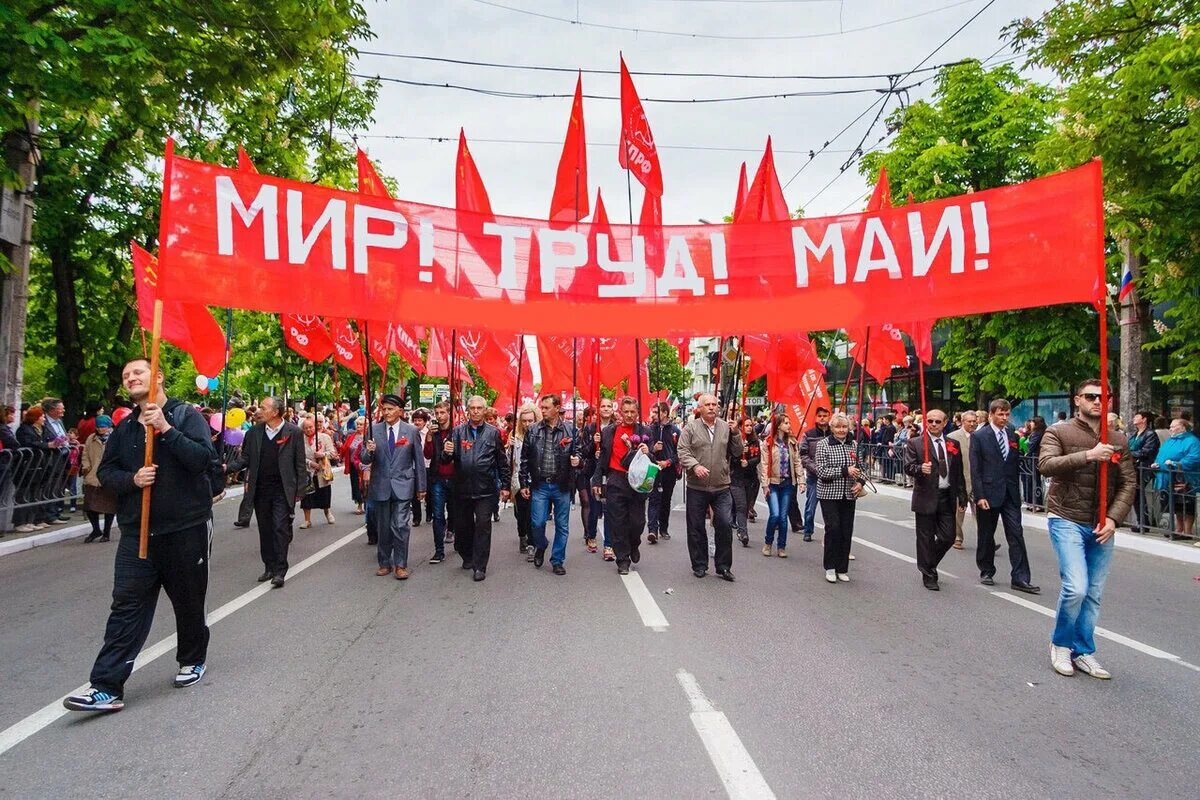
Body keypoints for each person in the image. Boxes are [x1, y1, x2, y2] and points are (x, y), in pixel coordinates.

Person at [63, 357, 217, 713]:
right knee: (126, 607)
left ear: (158, 377)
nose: (131, 378)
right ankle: (106, 686)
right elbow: (108, 473)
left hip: (184, 530)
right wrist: (133, 480)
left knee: (189, 602)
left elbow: (202, 460)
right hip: (138, 533)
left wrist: (165, 429)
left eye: (138, 372)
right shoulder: (126, 428)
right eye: (126, 375)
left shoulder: (185, 416)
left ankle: (192, 658)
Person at [1038, 379, 1136, 679]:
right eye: (1091, 396)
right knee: (1076, 587)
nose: (1098, 401)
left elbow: (1128, 482)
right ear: (1077, 400)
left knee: (1093, 593)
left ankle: (1083, 651)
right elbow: (1046, 464)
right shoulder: (1059, 431)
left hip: (1101, 524)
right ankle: (1061, 645)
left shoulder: (1118, 438)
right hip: (1066, 517)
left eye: (1104, 396)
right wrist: (1089, 455)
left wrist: (1113, 519)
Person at [224, 397, 307, 587]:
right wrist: (226, 467)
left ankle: (280, 570)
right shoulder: (254, 432)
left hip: (283, 489)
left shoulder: (293, 432)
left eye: (263, 407)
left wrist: (300, 490)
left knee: (280, 528)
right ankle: (268, 566)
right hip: (260, 489)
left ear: (275, 412)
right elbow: (245, 458)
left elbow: (300, 463)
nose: (258, 411)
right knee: (265, 529)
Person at [970, 399, 1040, 594]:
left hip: (1010, 493)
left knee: (1016, 534)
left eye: (1007, 414)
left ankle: (1020, 577)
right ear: (991, 414)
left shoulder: (1012, 435)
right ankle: (986, 569)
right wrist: (979, 495)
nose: (1004, 418)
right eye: (1000, 414)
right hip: (989, 493)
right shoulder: (979, 436)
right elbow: (976, 469)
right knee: (986, 533)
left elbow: (1014, 463)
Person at [440, 395, 509, 581]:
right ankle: (467, 555)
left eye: (479, 408)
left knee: (483, 526)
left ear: (484, 410)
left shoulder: (493, 433)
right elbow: (445, 460)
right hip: (461, 489)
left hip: (485, 490)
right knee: (463, 527)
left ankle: (480, 565)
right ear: (468, 410)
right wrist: (446, 452)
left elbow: (502, 461)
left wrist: (505, 485)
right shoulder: (457, 432)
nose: (476, 411)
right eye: (473, 408)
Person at [362, 394, 427, 580]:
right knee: (383, 527)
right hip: (381, 485)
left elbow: (419, 460)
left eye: (390, 409)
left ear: (400, 411)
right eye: (384, 409)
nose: (387, 413)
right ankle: (384, 563)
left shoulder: (411, 431)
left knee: (400, 525)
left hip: (403, 485)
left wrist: (421, 486)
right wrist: (369, 450)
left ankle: (400, 564)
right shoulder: (374, 430)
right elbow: (365, 458)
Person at [678, 393, 742, 581]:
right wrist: (695, 465)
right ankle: (699, 564)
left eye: (715, 404)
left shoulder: (726, 427)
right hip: (697, 487)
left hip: (721, 485)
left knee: (724, 523)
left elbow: (737, 452)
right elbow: (682, 451)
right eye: (708, 404)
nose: (712, 407)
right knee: (696, 526)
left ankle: (723, 566)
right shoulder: (691, 428)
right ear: (700, 408)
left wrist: (737, 434)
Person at [903, 409, 967, 590]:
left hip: (947, 496)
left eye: (937, 421)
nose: (933, 424)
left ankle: (928, 562)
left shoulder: (952, 443)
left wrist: (962, 496)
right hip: (925, 496)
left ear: (945, 423)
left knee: (948, 537)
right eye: (930, 421)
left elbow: (958, 472)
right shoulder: (915, 443)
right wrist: (919, 469)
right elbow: (908, 466)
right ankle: (929, 574)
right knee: (925, 537)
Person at [520, 394, 581, 575]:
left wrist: (578, 460)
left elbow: (578, 453)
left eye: (546, 407)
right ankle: (541, 545)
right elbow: (524, 458)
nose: (543, 411)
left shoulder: (571, 430)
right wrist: (524, 482)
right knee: (537, 523)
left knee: (562, 525)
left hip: (561, 485)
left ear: (557, 408)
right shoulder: (533, 430)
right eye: (542, 407)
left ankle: (557, 560)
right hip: (540, 485)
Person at [592, 396, 652, 576]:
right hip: (616, 480)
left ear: (637, 412)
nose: (629, 415)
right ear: (620, 413)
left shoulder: (645, 431)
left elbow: (653, 461)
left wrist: (648, 452)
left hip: (637, 481)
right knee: (618, 522)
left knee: (638, 522)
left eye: (632, 412)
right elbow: (603, 457)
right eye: (626, 412)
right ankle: (623, 559)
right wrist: (597, 480)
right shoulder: (610, 431)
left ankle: (634, 543)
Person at [815, 413, 864, 583]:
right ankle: (830, 567)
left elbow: (862, 467)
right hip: (829, 493)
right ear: (832, 428)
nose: (841, 430)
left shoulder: (854, 444)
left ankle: (842, 568)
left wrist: (860, 482)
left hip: (849, 494)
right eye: (838, 427)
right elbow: (821, 472)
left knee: (846, 530)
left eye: (844, 427)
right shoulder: (823, 445)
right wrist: (845, 471)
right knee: (833, 528)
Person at [758, 412, 801, 558]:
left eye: (789, 423)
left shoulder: (792, 443)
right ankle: (768, 543)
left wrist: (801, 481)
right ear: (778, 425)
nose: (789, 425)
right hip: (773, 483)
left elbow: (797, 462)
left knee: (783, 517)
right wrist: (765, 485)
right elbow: (764, 465)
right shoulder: (768, 443)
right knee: (775, 514)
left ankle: (781, 546)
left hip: (788, 483)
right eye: (786, 423)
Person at [1152, 418, 1200, 539]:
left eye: (1174, 426)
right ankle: (1179, 529)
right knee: (1176, 505)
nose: (1171, 429)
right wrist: (1157, 463)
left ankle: (1187, 531)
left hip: (1184, 478)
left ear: (1183, 427)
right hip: (1168, 477)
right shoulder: (1170, 440)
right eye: (1171, 426)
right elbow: (1161, 454)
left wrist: (1175, 463)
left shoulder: (1192, 441)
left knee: (1186, 505)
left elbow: (1194, 458)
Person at [582, 397, 616, 559]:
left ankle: (609, 544)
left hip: (610, 473)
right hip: (593, 473)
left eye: (609, 406)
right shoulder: (590, 428)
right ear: (598, 409)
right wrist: (592, 443)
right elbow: (584, 451)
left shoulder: (616, 427)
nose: (606, 409)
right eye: (603, 406)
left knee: (609, 509)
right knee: (594, 507)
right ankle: (591, 535)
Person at [424, 401, 456, 563]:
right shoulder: (434, 433)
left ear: (449, 413)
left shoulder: (457, 431)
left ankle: (457, 537)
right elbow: (428, 455)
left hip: (456, 478)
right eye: (437, 413)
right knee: (437, 515)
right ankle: (439, 550)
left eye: (443, 413)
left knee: (456, 513)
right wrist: (429, 437)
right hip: (438, 478)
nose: (439, 416)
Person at [647, 401, 681, 544]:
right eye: (653, 412)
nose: (653, 415)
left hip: (669, 471)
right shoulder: (649, 430)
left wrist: (668, 462)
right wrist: (653, 450)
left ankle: (664, 528)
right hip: (653, 469)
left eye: (657, 412)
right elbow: (645, 449)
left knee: (665, 499)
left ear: (665, 413)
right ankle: (652, 529)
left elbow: (679, 452)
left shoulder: (675, 431)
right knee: (653, 498)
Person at [80, 415, 117, 542]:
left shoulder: (116, 438)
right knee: (90, 506)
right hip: (93, 475)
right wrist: (86, 467)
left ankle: (106, 532)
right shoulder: (91, 438)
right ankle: (96, 529)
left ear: (109, 426)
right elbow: (85, 454)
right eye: (99, 427)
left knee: (109, 506)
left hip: (109, 476)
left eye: (103, 427)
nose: (101, 429)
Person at [508, 404, 538, 558]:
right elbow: (509, 461)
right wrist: (509, 448)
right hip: (519, 479)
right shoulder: (515, 436)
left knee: (535, 513)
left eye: (530, 421)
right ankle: (522, 536)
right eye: (524, 421)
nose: (527, 424)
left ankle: (533, 542)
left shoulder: (540, 434)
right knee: (522, 513)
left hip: (537, 480)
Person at [798, 407, 831, 542]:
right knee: (811, 506)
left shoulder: (834, 434)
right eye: (820, 416)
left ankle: (830, 533)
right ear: (816, 417)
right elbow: (804, 455)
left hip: (830, 476)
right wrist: (816, 469)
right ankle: (808, 530)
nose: (822, 418)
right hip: (814, 476)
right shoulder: (808, 434)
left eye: (825, 415)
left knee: (830, 509)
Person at [299, 414, 336, 529]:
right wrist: (310, 463)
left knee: (324, 494)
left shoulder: (324, 437)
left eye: (311, 427)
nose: (309, 430)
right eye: (306, 428)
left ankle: (327, 512)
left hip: (322, 471)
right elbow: (298, 456)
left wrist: (322, 455)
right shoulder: (299, 440)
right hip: (307, 472)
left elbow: (332, 453)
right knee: (306, 497)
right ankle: (307, 520)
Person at [948, 410, 978, 550]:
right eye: (969, 421)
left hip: (978, 482)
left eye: (974, 421)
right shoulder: (952, 437)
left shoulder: (981, 436)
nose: (972, 424)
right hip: (960, 481)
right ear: (962, 421)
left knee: (983, 514)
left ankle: (986, 540)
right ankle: (957, 538)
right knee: (958, 512)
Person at [1127, 409, 1160, 532]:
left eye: (1137, 416)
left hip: (1144, 468)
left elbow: (1147, 452)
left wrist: (1129, 454)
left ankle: (1144, 523)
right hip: (1134, 467)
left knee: (1139, 494)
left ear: (1144, 419)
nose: (1134, 418)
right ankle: (1142, 522)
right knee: (1136, 495)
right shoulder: (1134, 434)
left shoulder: (1150, 434)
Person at [730, 417, 761, 547]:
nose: (749, 427)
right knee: (741, 505)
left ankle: (741, 528)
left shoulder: (755, 441)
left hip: (750, 478)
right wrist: (739, 456)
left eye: (750, 425)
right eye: (746, 425)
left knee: (746, 505)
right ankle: (743, 532)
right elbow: (730, 457)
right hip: (736, 478)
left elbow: (758, 458)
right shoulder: (734, 440)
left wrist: (748, 462)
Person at [341, 417, 368, 515]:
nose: (359, 426)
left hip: (365, 465)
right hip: (353, 464)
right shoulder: (351, 436)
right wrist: (341, 447)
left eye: (361, 424)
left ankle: (366, 504)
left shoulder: (368, 437)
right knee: (356, 485)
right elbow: (345, 448)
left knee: (365, 485)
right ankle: (359, 504)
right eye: (358, 424)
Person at [410, 409, 432, 526]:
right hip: (414, 467)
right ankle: (416, 517)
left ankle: (429, 513)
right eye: (415, 420)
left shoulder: (429, 433)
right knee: (414, 494)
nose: (417, 423)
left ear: (425, 422)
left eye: (420, 420)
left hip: (427, 465)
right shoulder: (411, 433)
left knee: (428, 492)